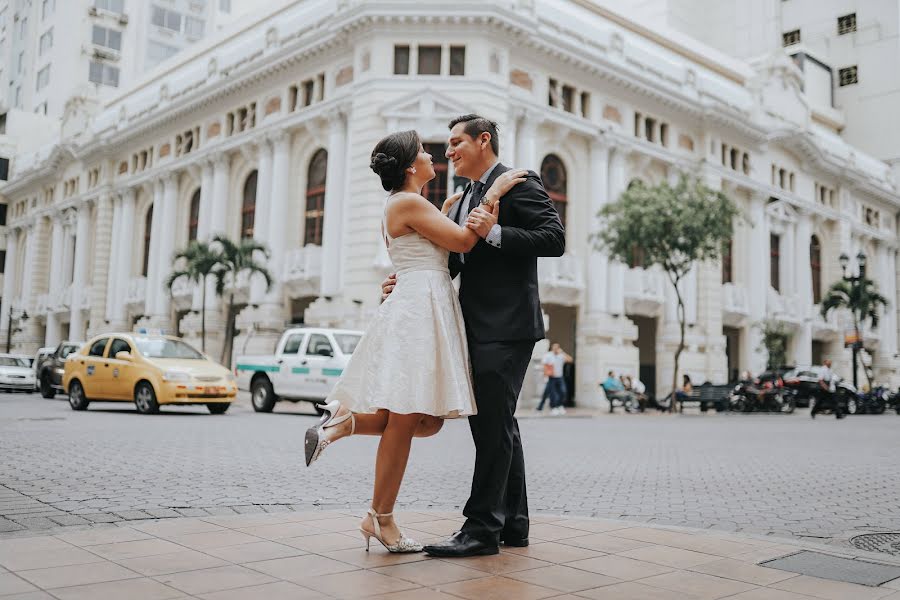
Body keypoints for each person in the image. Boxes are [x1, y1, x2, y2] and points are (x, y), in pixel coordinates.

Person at [303, 129, 530, 553]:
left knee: (427, 421)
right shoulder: (407, 202)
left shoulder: (413, 204)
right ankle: (380, 518)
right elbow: (464, 240)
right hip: (419, 311)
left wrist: (447, 208)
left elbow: (436, 245)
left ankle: (342, 425)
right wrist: (493, 192)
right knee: (407, 420)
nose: (433, 155)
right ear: (411, 166)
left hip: (420, 303)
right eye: (425, 151)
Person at [385, 114, 566, 557]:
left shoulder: (518, 182)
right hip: (477, 324)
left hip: (507, 326)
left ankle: (481, 530)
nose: (448, 152)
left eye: (455, 143)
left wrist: (496, 231)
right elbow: (458, 262)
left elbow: (554, 238)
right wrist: (405, 279)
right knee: (499, 425)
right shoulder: (463, 196)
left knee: (490, 427)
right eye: (444, 146)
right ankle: (514, 525)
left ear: (483, 140)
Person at [538, 343, 572, 415]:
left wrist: (562, 352)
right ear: (552, 348)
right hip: (551, 377)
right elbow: (544, 365)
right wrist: (545, 376)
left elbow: (570, 360)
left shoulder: (561, 355)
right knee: (552, 393)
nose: (556, 349)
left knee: (563, 391)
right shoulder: (548, 355)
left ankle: (559, 405)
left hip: (559, 377)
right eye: (554, 347)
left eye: (557, 348)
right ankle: (553, 407)